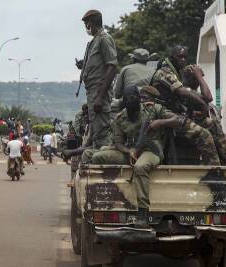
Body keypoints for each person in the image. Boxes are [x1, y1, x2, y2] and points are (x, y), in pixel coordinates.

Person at [91, 86, 182, 227]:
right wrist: (128, 152)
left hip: (151, 151)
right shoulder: (120, 118)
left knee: (140, 167)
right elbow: (118, 143)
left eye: (133, 98)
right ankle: (107, 195)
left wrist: (160, 122)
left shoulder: (154, 109)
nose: (130, 101)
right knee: (97, 157)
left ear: (139, 98)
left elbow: (177, 120)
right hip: (131, 152)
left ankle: (143, 213)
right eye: (127, 99)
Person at [149, 45, 221, 165]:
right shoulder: (165, 72)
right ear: (172, 57)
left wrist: (194, 111)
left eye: (184, 57)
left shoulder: (177, 75)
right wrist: (203, 105)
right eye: (180, 57)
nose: (182, 60)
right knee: (204, 134)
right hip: (166, 117)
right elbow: (182, 92)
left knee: (211, 123)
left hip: (177, 115)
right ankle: (214, 170)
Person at [76, 10, 117, 149]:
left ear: (92, 24)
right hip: (93, 92)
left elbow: (112, 66)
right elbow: (98, 63)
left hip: (99, 92)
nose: (87, 28)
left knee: (101, 132)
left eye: (87, 24)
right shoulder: (95, 41)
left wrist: (100, 96)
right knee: (95, 130)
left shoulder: (104, 39)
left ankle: (104, 162)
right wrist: (84, 65)